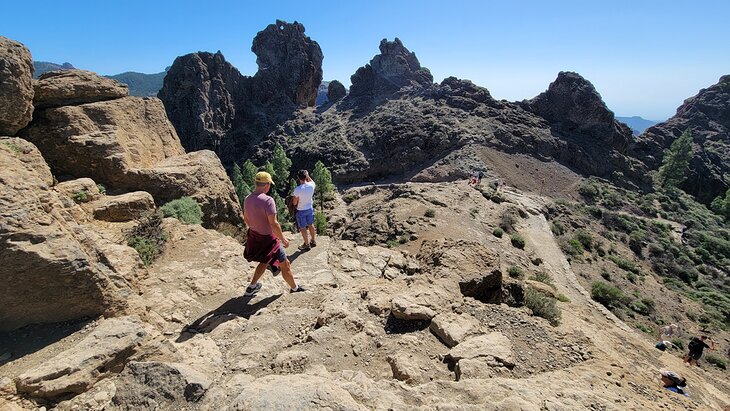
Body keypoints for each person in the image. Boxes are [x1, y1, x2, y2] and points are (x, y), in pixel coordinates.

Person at [242, 171, 305, 296]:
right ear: (267, 185)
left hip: (254, 235)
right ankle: (294, 288)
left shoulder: (247, 199)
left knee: (265, 261)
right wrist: (283, 239)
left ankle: (252, 287)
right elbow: (274, 224)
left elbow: (246, 218)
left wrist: (255, 227)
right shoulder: (268, 201)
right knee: (285, 263)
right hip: (269, 239)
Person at [292, 169, 316, 251]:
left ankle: (306, 244)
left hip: (301, 210)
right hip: (310, 208)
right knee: (311, 225)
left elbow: (295, 203)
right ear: (306, 176)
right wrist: (307, 175)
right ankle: (313, 240)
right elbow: (310, 180)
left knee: (303, 228)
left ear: (298, 178)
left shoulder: (297, 190)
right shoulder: (312, 185)